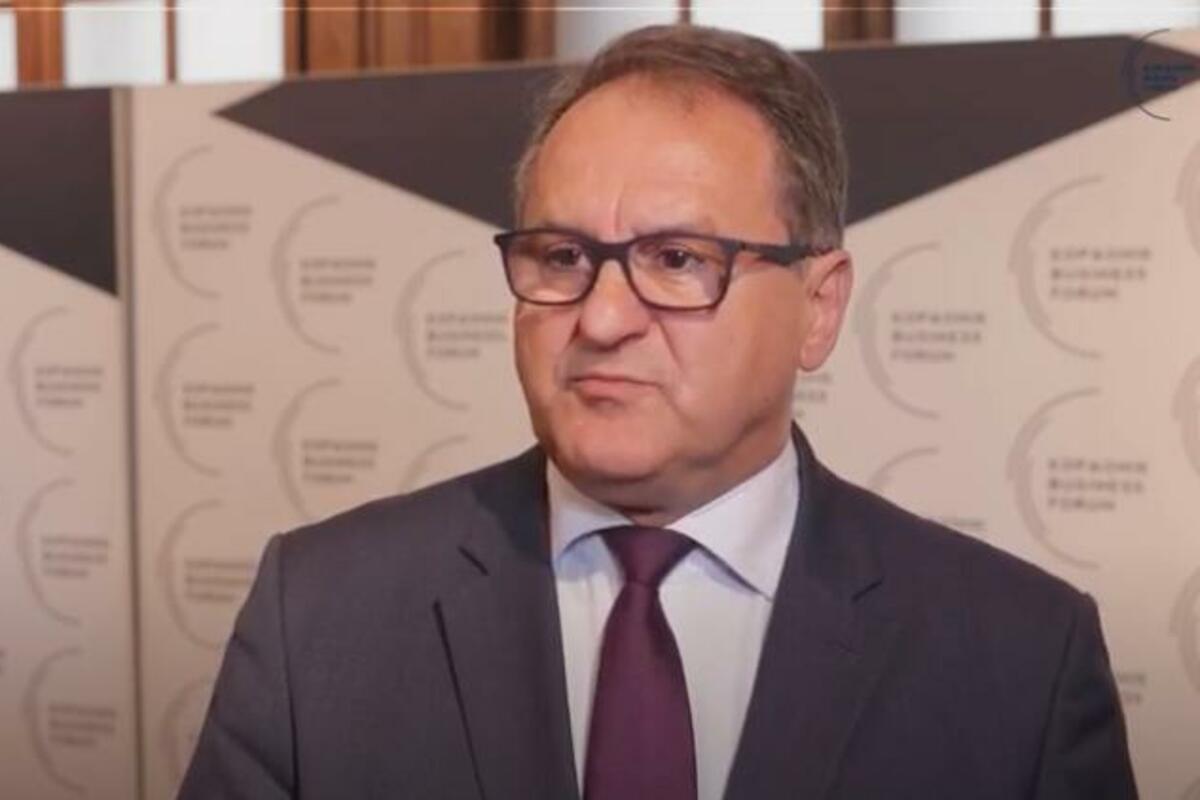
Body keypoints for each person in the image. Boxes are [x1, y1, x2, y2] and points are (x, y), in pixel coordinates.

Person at [179, 24, 1137, 800]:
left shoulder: (1018, 659)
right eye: (562, 257)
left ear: (818, 306)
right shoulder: (322, 615)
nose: (601, 319)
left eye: (678, 260)